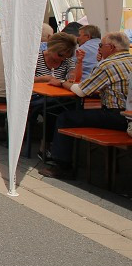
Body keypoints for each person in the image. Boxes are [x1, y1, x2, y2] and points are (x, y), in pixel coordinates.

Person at [40, 31, 132, 179]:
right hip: (127, 116)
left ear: (112, 47)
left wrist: (62, 83)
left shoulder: (107, 64)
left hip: (118, 116)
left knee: (65, 118)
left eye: (101, 45)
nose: (99, 49)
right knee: (73, 112)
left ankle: (62, 166)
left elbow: (81, 91)